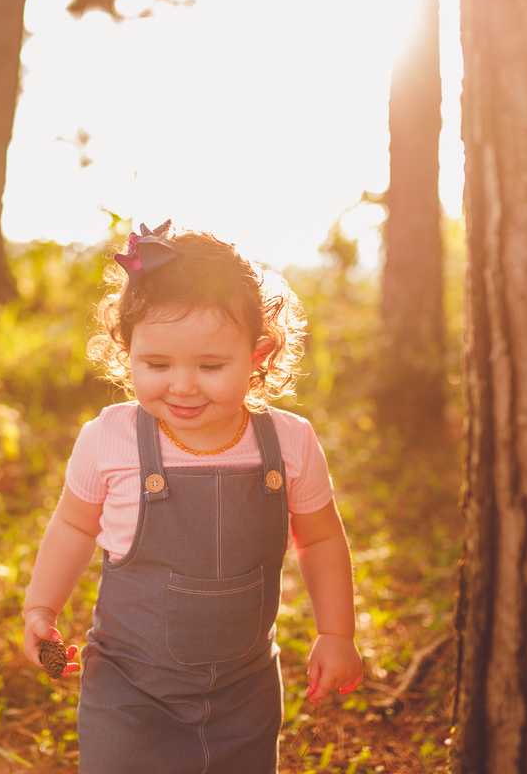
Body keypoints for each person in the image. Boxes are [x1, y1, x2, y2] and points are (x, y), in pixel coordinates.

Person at [22, 221, 363, 772]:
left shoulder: (288, 442)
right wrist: (41, 607)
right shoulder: (109, 439)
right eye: (157, 365)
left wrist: (336, 632)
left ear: (257, 356)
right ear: (126, 349)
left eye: (210, 366)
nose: (181, 385)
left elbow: (320, 539)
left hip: (245, 692)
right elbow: (73, 526)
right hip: (129, 690)